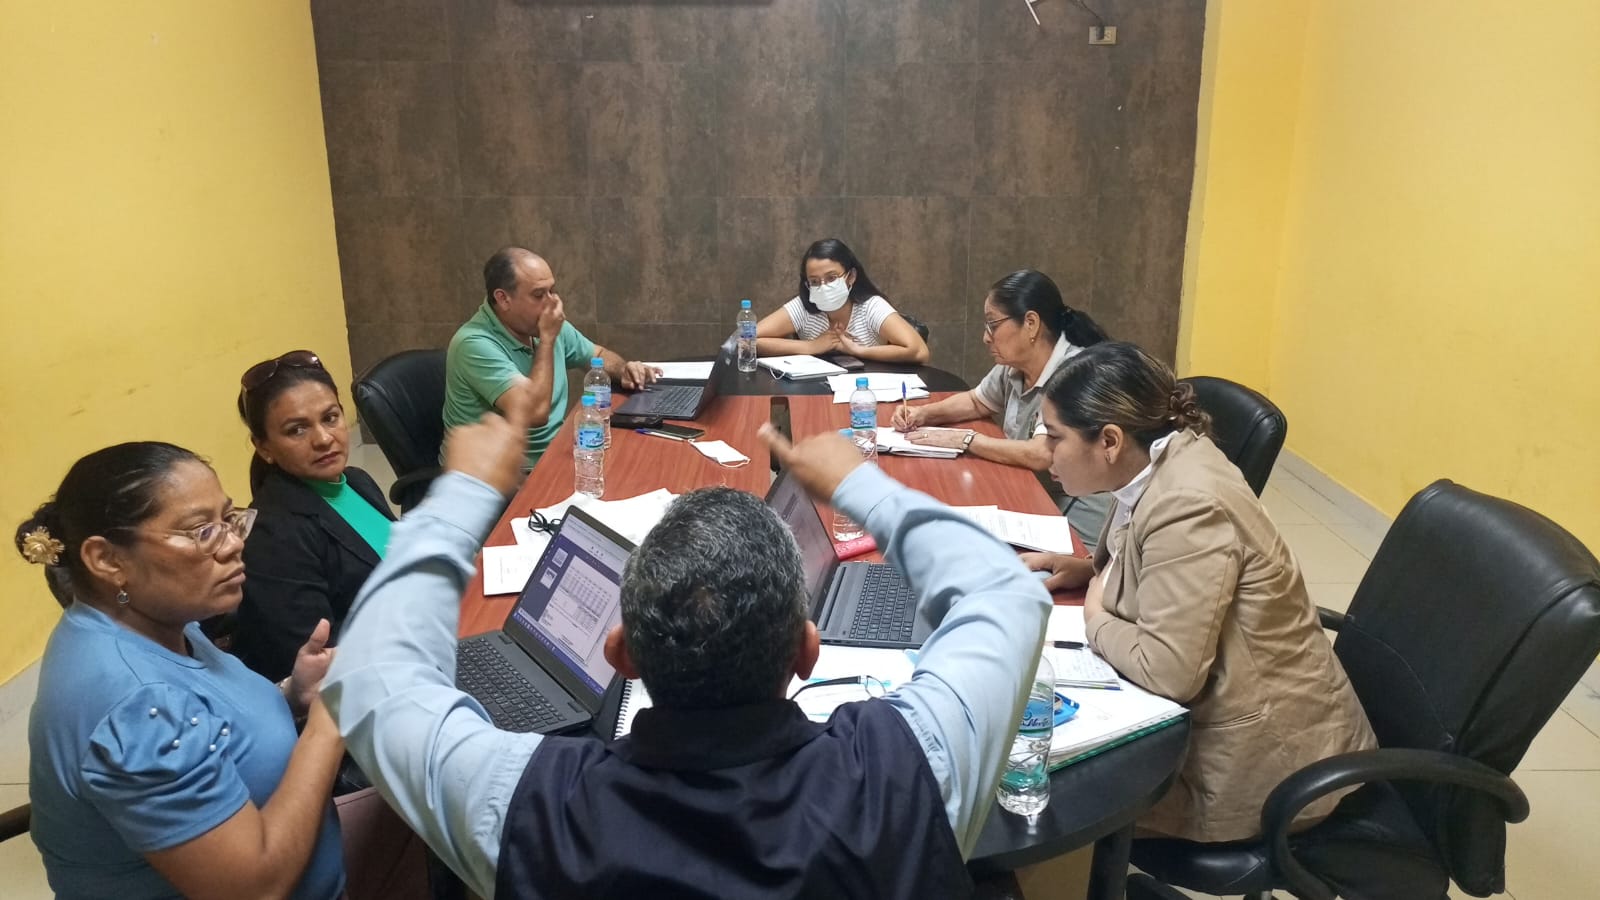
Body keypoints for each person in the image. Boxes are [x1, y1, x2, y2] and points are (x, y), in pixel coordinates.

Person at [320, 406, 1052, 898]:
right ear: (807, 650)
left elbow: (373, 674)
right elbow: (1006, 593)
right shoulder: (905, 770)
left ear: (620, 653)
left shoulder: (532, 807)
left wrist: (462, 497)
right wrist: (862, 486)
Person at [1027, 342, 1377, 842]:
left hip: (1265, 764)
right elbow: (1158, 558)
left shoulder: (1188, 503)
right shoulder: (1155, 459)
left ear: (1109, 440)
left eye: (1054, 436)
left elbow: (1168, 671)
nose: (1045, 451)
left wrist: (1096, 618)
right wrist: (1089, 570)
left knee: (1042, 801)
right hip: (1227, 710)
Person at [16, 442, 346, 899]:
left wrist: (292, 694)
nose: (234, 543)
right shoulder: (136, 705)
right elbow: (255, 889)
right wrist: (330, 724)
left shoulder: (151, 619)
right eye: (201, 531)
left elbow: (207, 717)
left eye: (229, 519)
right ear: (108, 559)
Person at [891, 269, 1114, 561]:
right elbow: (976, 401)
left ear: (1031, 324)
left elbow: (1041, 454)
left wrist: (967, 440)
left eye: (993, 324)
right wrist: (922, 414)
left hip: (1076, 520)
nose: (986, 337)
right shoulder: (1014, 366)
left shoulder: (1073, 373)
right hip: (1034, 499)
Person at [231, 349, 396, 683]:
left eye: (330, 418)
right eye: (297, 430)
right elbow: (316, 659)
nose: (323, 439)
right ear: (264, 447)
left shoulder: (357, 482)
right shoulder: (273, 535)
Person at [444, 247, 662, 467]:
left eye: (552, 291)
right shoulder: (473, 344)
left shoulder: (540, 323)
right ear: (503, 299)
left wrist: (623, 369)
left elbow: (597, 355)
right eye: (539, 295)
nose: (553, 303)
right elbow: (535, 413)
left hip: (554, 455)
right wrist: (547, 340)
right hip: (497, 474)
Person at [755, 238, 930, 364]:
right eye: (814, 281)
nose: (823, 286)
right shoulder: (803, 307)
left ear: (851, 276)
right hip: (816, 395)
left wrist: (858, 351)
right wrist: (810, 347)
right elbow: (747, 340)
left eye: (831, 278)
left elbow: (919, 352)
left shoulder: (871, 307)